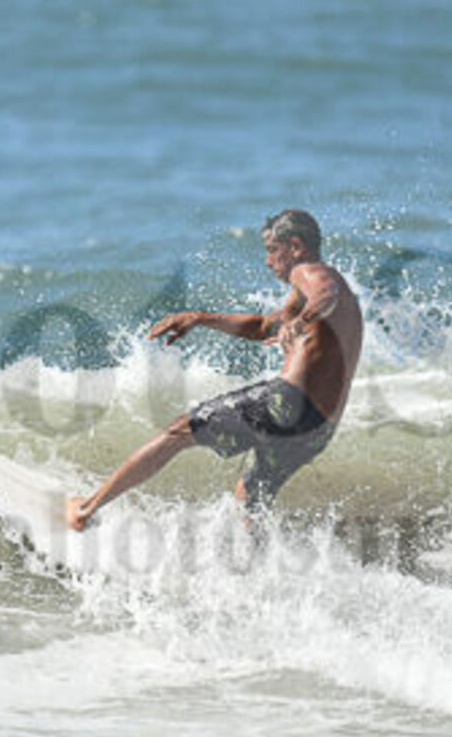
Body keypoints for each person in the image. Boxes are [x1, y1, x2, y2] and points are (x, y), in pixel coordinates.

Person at [66, 209, 364, 530]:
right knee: (250, 497)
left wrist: (301, 322)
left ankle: (84, 510)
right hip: (318, 428)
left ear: (295, 246)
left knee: (178, 431)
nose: (267, 261)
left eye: (272, 250)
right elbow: (263, 326)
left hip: (290, 403)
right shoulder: (319, 299)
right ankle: (252, 560)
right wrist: (200, 318)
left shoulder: (310, 272)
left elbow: (326, 292)